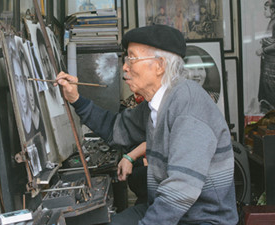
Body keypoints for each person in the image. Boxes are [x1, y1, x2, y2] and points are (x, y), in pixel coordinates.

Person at [56, 24, 237, 224]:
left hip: (201, 219)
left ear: (159, 65)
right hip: (168, 210)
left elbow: (181, 189)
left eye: (132, 58)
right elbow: (115, 128)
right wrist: (75, 99)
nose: (125, 66)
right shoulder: (157, 104)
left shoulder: (189, 105)